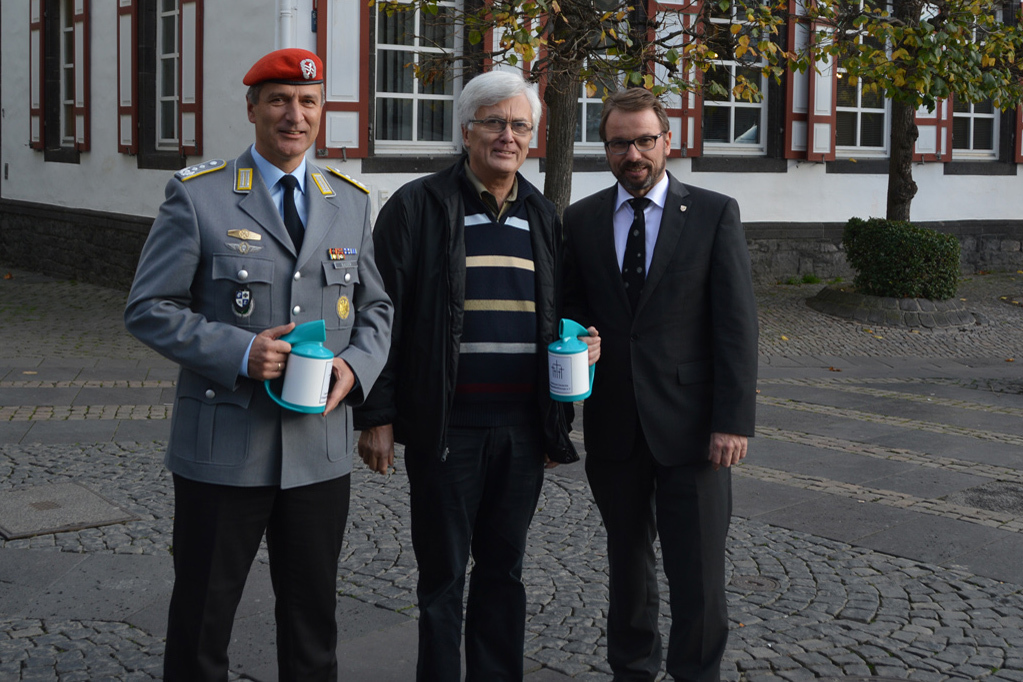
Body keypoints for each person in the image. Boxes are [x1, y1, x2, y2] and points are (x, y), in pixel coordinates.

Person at [124, 48, 392, 682]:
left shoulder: (349, 200)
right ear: (252, 109)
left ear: (321, 112)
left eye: (308, 102)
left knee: (312, 626)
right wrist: (240, 352)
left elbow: (376, 308)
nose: (294, 115)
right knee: (202, 622)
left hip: (318, 451)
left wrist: (355, 368)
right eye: (279, 100)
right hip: (223, 448)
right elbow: (148, 308)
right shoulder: (199, 196)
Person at [354, 70, 599, 681]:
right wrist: (377, 416)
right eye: (494, 123)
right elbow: (380, 315)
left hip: (521, 432)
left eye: (520, 125)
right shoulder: (418, 206)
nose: (508, 136)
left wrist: (570, 380)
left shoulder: (543, 215)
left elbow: (558, 315)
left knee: (503, 571)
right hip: (447, 429)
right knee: (441, 577)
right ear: (466, 131)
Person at [562, 88, 758, 682]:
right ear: (605, 148)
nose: (633, 155)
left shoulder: (714, 213)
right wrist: (577, 345)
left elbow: (736, 326)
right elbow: (570, 315)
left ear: (667, 141)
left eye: (645, 140)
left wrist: (732, 421)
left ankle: (696, 673)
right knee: (627, 567)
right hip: (615, 425)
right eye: (619, 143)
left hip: (694, 429)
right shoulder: (581, 220)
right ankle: (632, 669)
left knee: (697, 571)